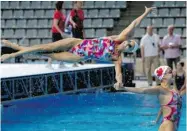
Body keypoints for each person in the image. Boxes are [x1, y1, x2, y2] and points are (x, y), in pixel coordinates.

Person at [1, 6, 155, 88]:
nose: (127, 44)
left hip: (78, 56)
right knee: (45, 46)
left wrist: (119, 82)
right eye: (130, 42)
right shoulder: (118, 39)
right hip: (77, 43)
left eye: (130, 46)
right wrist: (146, 13)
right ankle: (12, 54)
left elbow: (118, 74)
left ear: (128, 50)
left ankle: (14, 46)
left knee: (45, 54)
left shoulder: (117, 58)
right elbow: (134, 24)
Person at [115, 66, 184, 131]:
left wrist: (156, 120)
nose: (173, 72)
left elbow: (165, 107)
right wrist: (124, 88)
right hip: (168, 124)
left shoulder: (173, 90)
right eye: (170, 71)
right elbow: (142, 90)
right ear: (163, 77)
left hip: (173, 123)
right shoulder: (160, 89)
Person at [47, 1, 70, 68]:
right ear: (61, 5)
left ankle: (61, 63)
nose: (65, 5)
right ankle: (49, 64)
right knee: (54, 49)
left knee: (62, 48)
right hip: (56, 33)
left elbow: (62, 23)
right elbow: (55, 24)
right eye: (64, 4)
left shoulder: (61, 13)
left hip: (60, 33)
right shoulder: (57, 13)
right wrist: (61, 32)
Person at [70, 1, 85, 67]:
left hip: (80, 30)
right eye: (79, 3)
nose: (81, 4)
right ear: (76, 3)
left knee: (81, 45)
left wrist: (84, 32)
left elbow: (82, 23)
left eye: (81, 3)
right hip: (75, 30)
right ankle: (74, 62)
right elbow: (70, 19)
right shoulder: (73, 11)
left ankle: (79, 59)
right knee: (75, 45)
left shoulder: (81, 12)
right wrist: (73, 23)